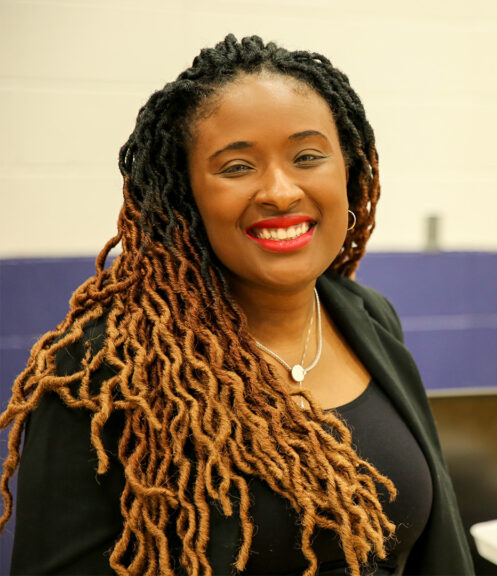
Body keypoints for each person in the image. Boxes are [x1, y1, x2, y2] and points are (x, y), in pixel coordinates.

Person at [0, 34, 473, 576]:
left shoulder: (367, 316)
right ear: (186, 195)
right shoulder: (104, 373)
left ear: (351, 169)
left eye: (308, 157)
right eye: (237, 167)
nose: (279, 191)